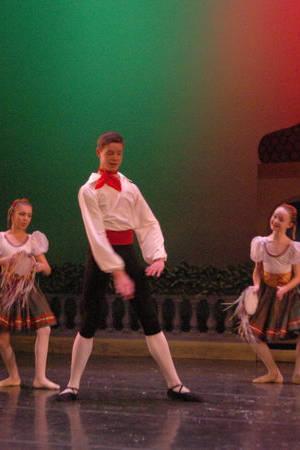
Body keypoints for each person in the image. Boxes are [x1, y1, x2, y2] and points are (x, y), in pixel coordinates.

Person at [57, 131, 200, 402]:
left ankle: (175, 384)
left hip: (126, 250)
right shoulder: (88, 190)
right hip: (100, 254)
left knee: (149, 316)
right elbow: (96, 234)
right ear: (98, 153)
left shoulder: (130, 187)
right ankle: (72, 385)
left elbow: (147, 221)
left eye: (119, 153)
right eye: (109, 152)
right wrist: (117, 271)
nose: (115, 158)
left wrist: (157, 256)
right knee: (89, 319)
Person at [0, 198, 59, 390]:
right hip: (5, 289)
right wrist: (4, 260)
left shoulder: (33, 240)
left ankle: (40, 377)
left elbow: (47, 268)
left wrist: (39, 266)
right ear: (12, 214)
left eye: (29, 216)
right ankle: (13, 376)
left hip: (27, 289)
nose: (25, 219)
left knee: (44, 329)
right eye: (22, 214)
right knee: (2, 338)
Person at [233, 203, 300, 385]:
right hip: (266, 292)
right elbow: (257, 270)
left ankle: (299, 373)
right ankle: (273, 372)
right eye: (274, 216)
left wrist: (285, 289)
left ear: (290, 224)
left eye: (281, 219)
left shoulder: (294, 247)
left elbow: (297, 277)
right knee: (250, 332)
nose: (275, 221)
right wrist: (257, 285)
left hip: (288, 293)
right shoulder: (261, 243)